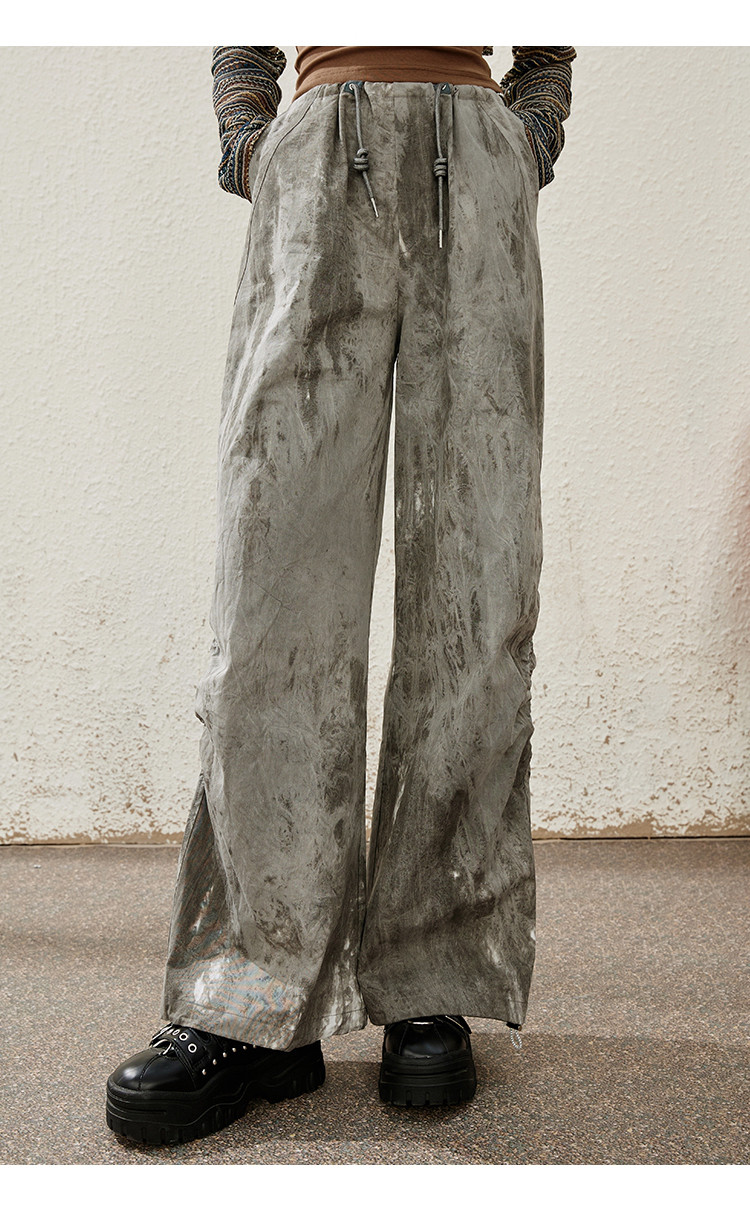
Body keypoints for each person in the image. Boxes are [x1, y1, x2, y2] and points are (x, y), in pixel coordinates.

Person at [105, 44, 577, 1146]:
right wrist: (248, 133)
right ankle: (254, 1001)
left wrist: (532, 130)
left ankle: (433, 976)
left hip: (478, 153)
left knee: (477, 596)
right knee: (269, 599)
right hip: (318, 148)